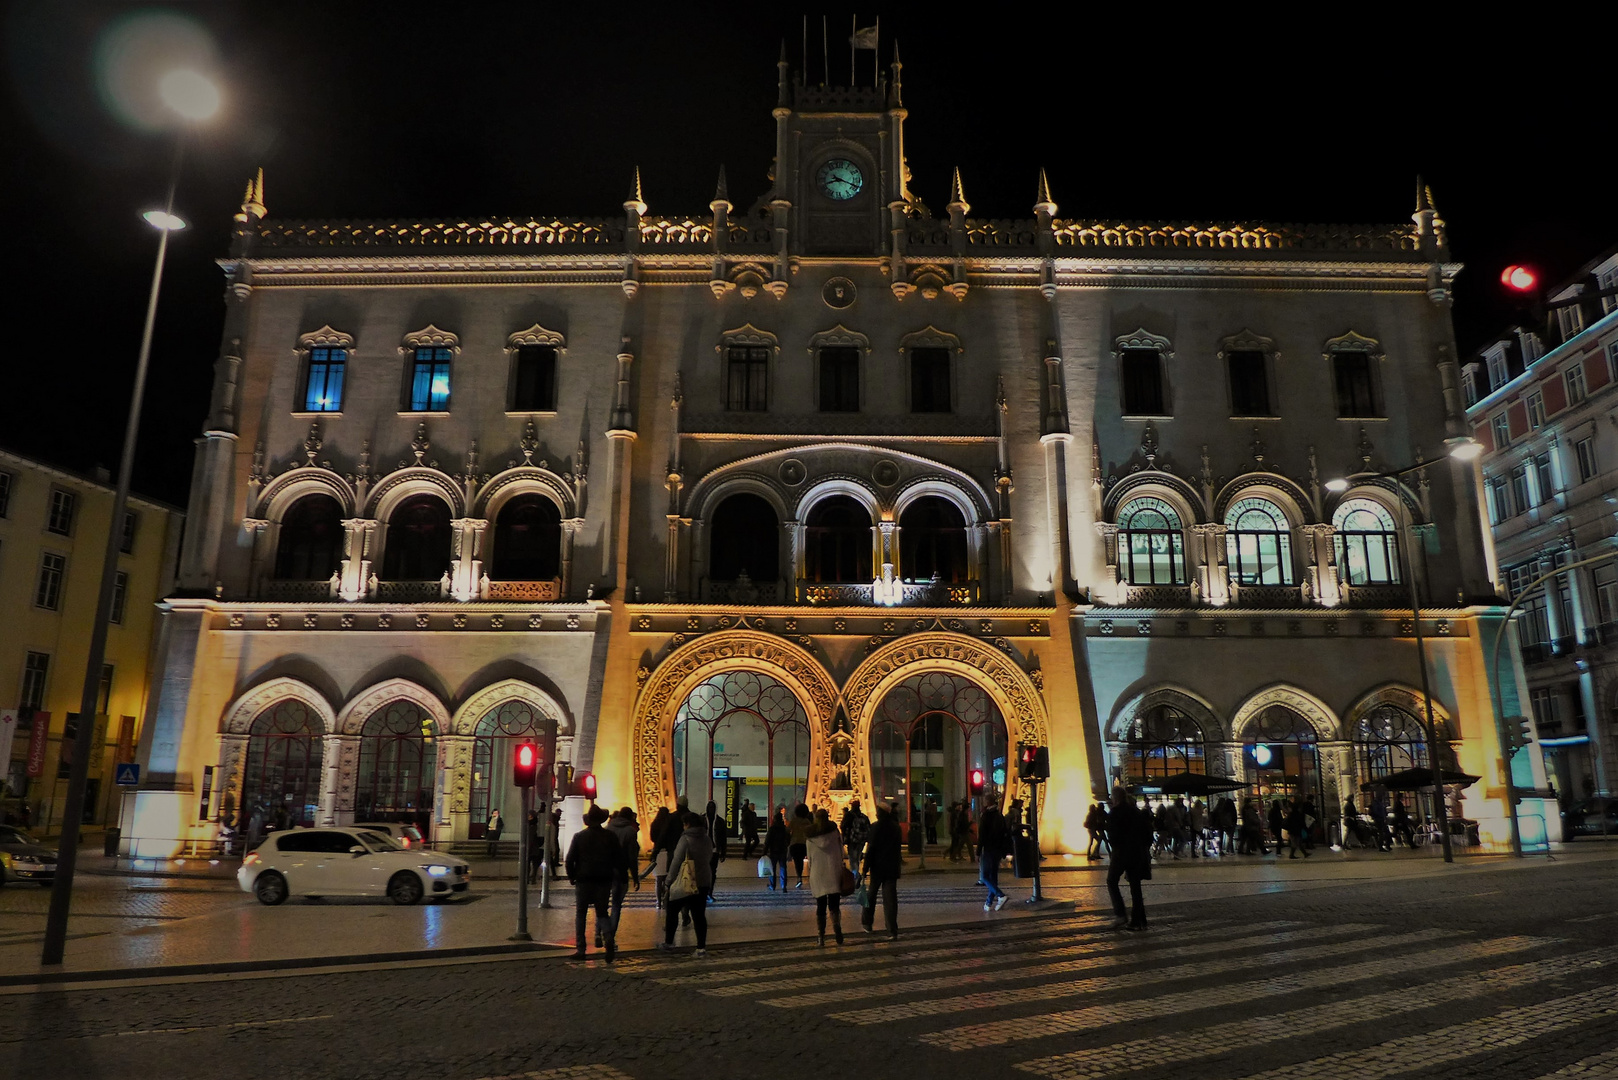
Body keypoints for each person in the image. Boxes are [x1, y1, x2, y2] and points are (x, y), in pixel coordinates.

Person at [564, 804, 626, 961]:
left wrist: (572, 876)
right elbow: (619, 859)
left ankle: (581, 949)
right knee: (602, 912)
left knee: (581, 914)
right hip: (603, 880)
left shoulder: (579, 837)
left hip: (583, 880)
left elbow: (570, 859)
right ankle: (608, 938)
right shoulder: (610, 837)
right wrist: (621, 876)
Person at [660, 810, 714, 957]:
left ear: (688, 824)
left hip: (686, 881)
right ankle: (701, 948)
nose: (683, 826)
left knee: (672, 910)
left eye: (684, 824)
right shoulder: (707, 839)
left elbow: (676, 862)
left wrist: (669, 881)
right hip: (703, 882)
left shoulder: (685, 839)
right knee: (699, 915)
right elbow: (709, 857)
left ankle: (669, 942)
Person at [1106, 783, 1152, 931]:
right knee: (1135, 886)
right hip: (1137, 852)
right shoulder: (1135, 812)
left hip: (1121, 852)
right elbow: (1147, 833)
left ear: (1115, 798)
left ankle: (1120, 914)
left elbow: (1113, 836)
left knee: (1112, 880)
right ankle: (1139, 920)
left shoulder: (1115, 813)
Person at [806, 808, 847, 946]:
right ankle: (837, 927)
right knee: (834, 905)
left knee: (821, 905)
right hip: (833, 870)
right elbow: (841, 850)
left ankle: (821, 935)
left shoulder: (810, 837)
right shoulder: (834, 832)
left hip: (818, 873)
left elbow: (809, 858)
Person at [861, 801, 902, 939]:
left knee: (871, 895)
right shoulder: (896, 828)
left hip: (877, 867)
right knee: (890, 899)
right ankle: (892, 930)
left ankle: (867, 923)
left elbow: (871, 850)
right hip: (891, 867)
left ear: (880, 814)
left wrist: (865, 868)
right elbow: (897, 850)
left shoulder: (875, 827)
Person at [606, 806, 641, 940]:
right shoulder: (630, 831)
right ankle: (611, 934)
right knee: (616, 904)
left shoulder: (608, 828)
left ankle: (599, 930)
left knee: (602, 903)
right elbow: (632, 857)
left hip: (607, 870)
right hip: (621, 871)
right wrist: (635, 877)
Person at [978, 803, 1011, 911]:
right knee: (993, 877)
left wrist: (978, 851)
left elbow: (982, 836)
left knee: (984, 876)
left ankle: (1000, 895)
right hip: (998, 850)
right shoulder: (1000, 816)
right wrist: (1004, 851)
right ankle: (988, 903)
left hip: (988, 850)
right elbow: (1005, 833)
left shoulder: (985, 816)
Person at [647, 806, 674, 907]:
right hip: (667, 852)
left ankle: (658, 901)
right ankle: (667, 900)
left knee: (658, 880)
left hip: (658, 852)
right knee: (668, 878)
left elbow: (652, 838)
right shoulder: (670, 825)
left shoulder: (655, 824)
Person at [702, 800, 727, 901]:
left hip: (715, 850)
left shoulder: (720, 821)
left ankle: (709, 892)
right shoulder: (702, 820)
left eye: (713, 807)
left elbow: (723, 838)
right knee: (703, 872)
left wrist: (723, 852)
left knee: (712, 872)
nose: (711, 809)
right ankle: (703, 892)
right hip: (703, 851)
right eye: (709, 807)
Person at [841, 799, 870, 873]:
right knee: (858, 856)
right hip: (861, 840)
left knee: (852, 857)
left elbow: (843, 826)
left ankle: (855, 873)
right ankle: (856, 871)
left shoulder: (849, 815)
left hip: (852, 840)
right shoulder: (864, 816)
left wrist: (844, 838)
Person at [765, 807, 790, 890]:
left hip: (774, 850)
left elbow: (768, 840)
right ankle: (784, 886)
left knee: (773, 868)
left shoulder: (772, 829)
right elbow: (788, 838)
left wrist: (765, 851)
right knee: (783, 867)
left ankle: (772, 885)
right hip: (782, 850)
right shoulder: (784, 829)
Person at [788, 803, 813, 889]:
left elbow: (788, 831)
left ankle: (799, 876)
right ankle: (801, 875)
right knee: (802, 860)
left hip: (794, 844)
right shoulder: (807, 822)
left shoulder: (793, 821)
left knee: (797, 861)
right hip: (804, 844)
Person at [526, 809, 544, 884]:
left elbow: (532, 838)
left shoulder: (532, 826)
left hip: (533, 848)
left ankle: (531, 879)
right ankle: (530, 879)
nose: (528, 817)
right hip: (533, 848)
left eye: (530, 816)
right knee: (531, 865)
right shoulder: (530, 826)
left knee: (533, 864)